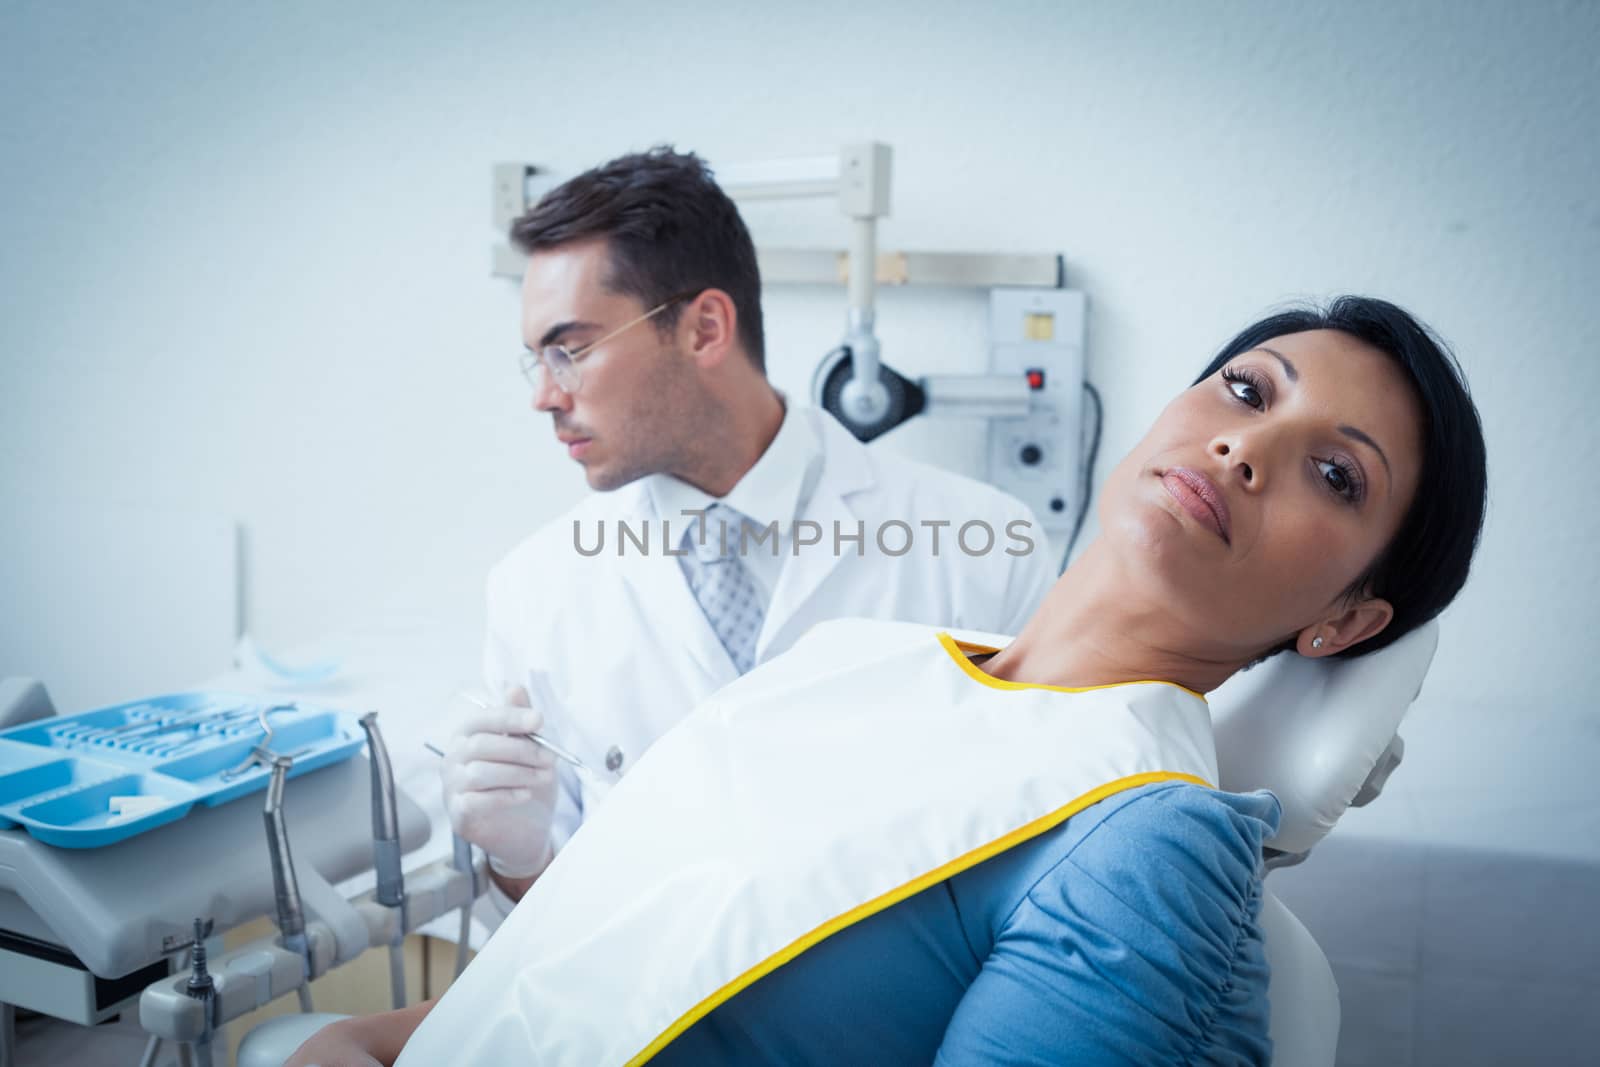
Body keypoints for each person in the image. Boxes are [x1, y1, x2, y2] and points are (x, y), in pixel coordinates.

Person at [290, 299, 1486, 1066]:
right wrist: (368, 1038)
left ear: (1343, 620)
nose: (1245, 447)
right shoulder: (866, 660)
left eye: (1334, 473)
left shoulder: (1149, 842)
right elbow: (602, 973)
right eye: (1244, 387)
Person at [442, 148, 1056, 913]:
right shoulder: (535, 590)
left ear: (703, 329)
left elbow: (1050, 857)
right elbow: (541, 956)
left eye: (571, 350)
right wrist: (516, 852)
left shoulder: (985, 550)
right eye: (536, 359)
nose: (543, 396)